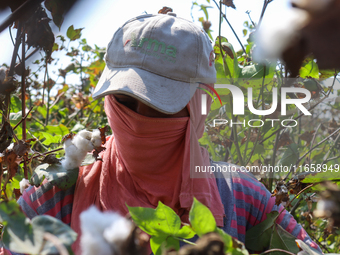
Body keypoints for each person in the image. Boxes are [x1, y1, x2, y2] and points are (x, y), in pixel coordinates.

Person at [14, 12, 322, 254]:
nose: (138, 120)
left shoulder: (241, 197)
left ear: (199, 107)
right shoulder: (56, 196)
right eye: (124, 101)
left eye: (161, 106)